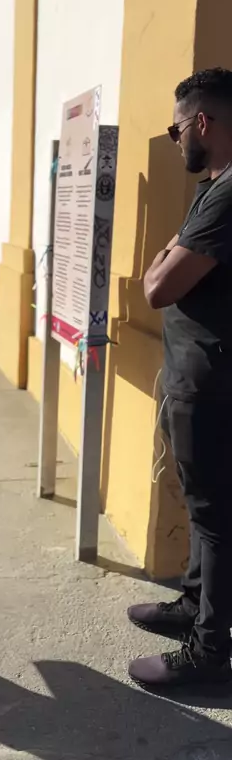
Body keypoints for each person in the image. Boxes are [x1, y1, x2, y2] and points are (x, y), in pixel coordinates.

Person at [128, 68, 232, 688]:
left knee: (215, 516)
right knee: (202, 506)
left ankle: (210, 654)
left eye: (176, 129)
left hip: (213, 383)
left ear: (203, 122)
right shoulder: (212, 188)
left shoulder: (226, 195)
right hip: (195, 374)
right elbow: (164, 268)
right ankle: (194, 605)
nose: (175, 141)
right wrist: (170, 253)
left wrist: (166, 257)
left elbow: (157, 286)